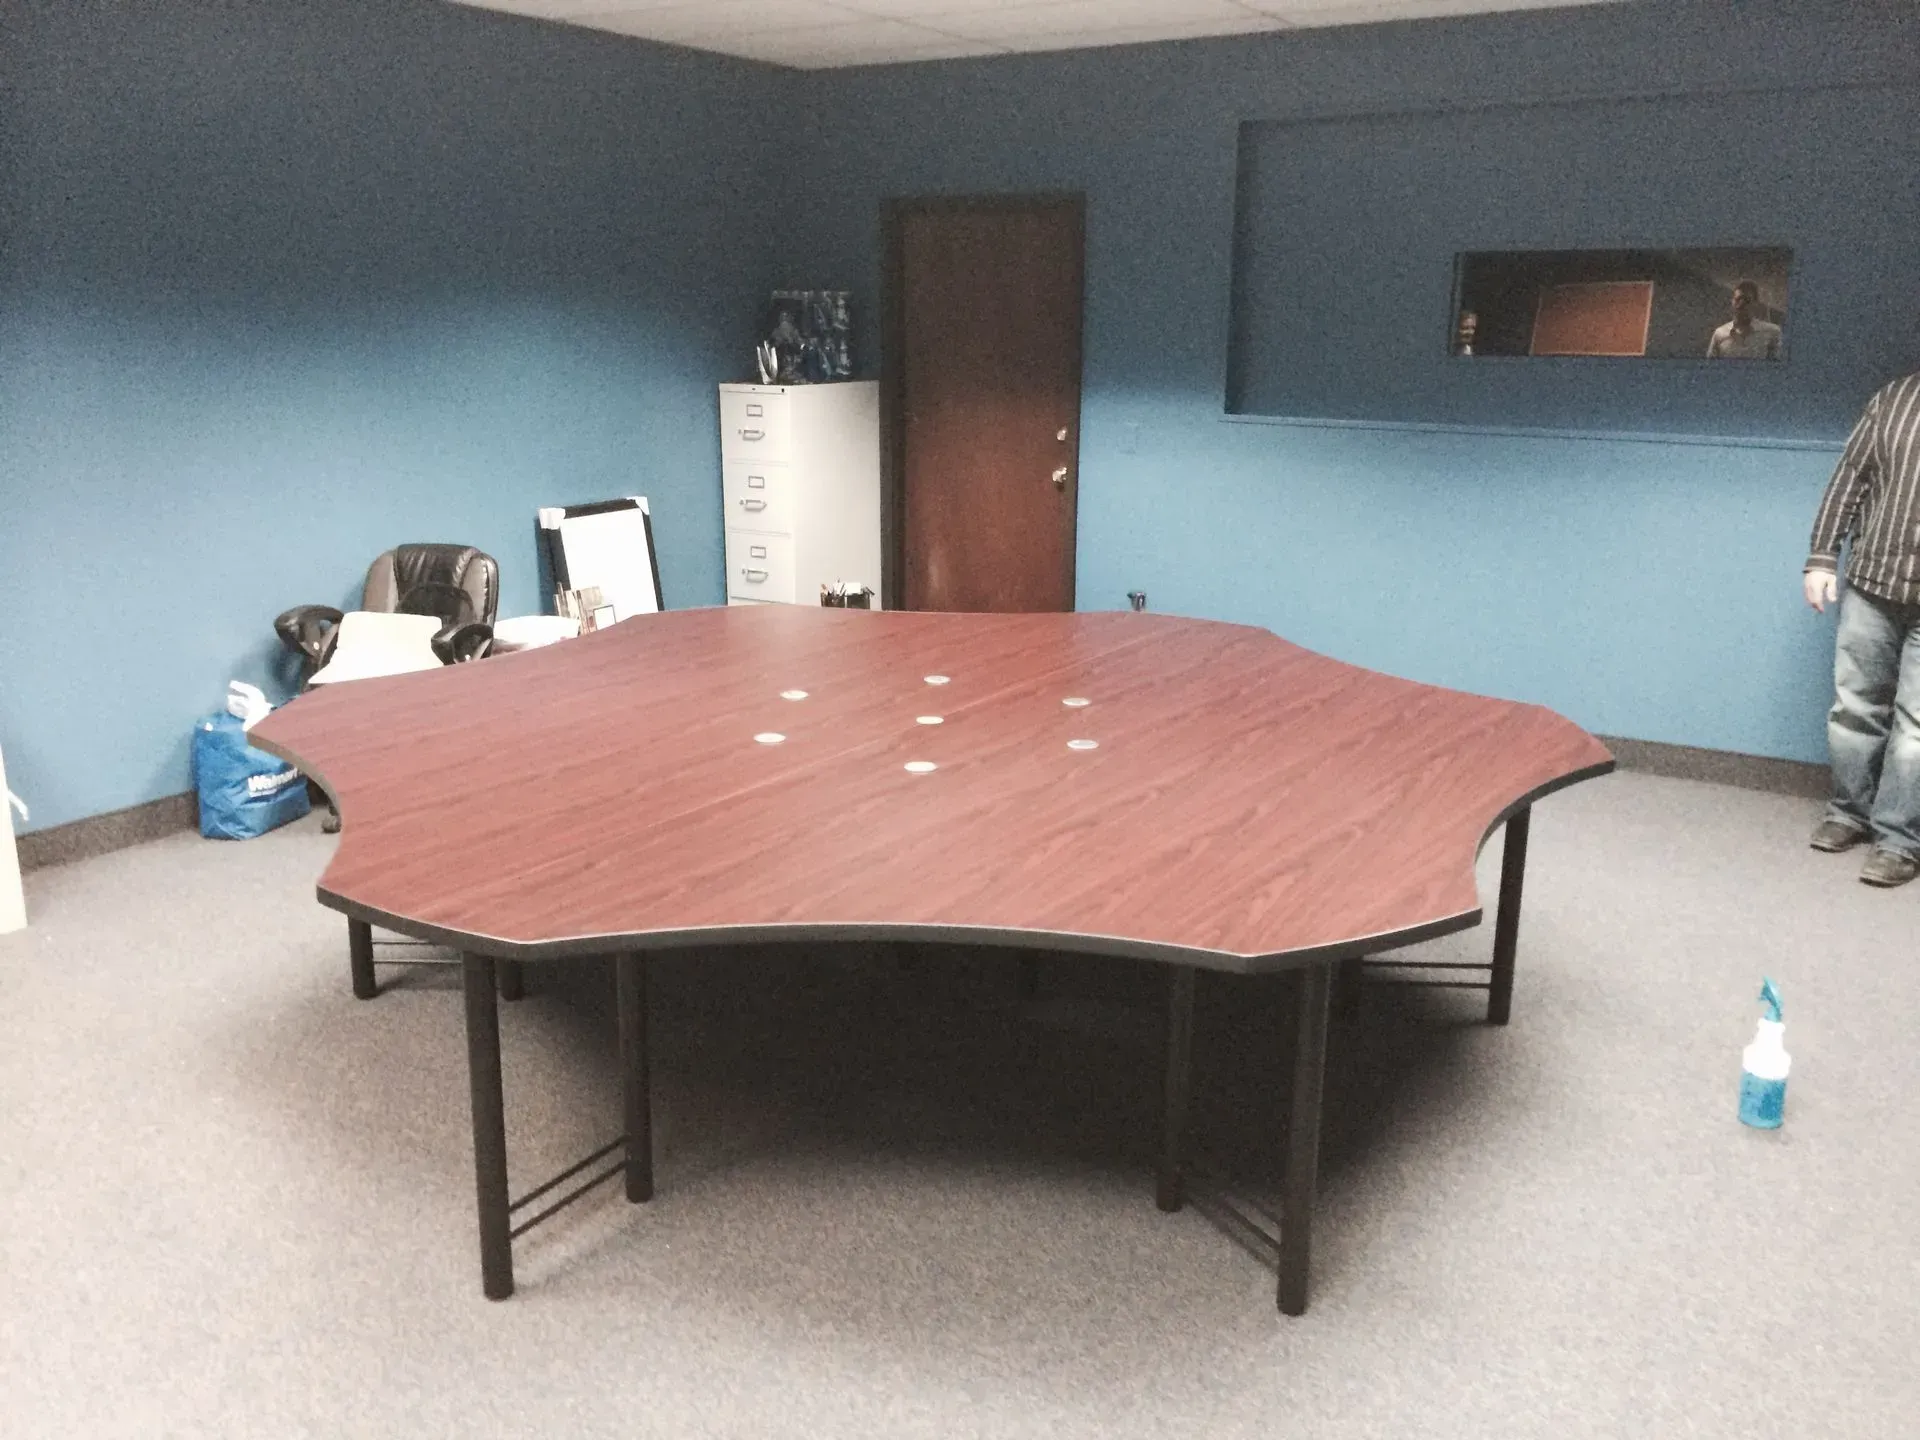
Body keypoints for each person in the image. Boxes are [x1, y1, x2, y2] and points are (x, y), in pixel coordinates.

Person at [1803, 369, 1920, 887]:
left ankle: (1898, 840)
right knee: (1854, 707)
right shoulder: (1894, 398)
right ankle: (1848, 813)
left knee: (1916, 728)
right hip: (1874, 583)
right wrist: (1821, 560)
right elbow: (1849, 479)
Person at [1708, 280, 1783, 359]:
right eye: (1737, 299)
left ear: (1755, 304)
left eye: (1746, 300)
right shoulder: (1719, 334)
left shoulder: (1772, 332)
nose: (1741, 304)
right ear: (1732, 302)